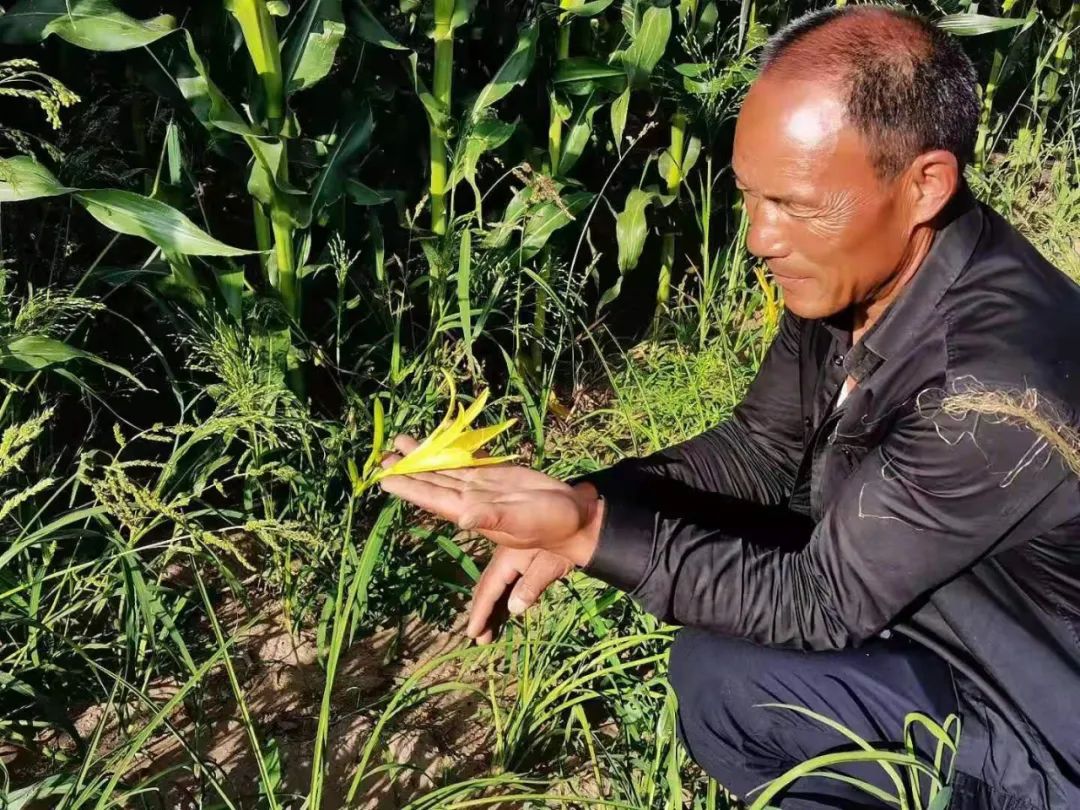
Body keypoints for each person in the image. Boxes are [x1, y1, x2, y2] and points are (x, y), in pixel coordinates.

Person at [379, 6, 1080, 808]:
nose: (760, 238)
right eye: (751, 197)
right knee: (721, 678)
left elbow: (820, 602)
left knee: (751, 692)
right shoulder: (862, 278)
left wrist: (588, 534)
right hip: (951, 641)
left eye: (796, 204)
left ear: (925, 184)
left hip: (1044, 727)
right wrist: (589, 500)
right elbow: (757, 450)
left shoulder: (989, 393)